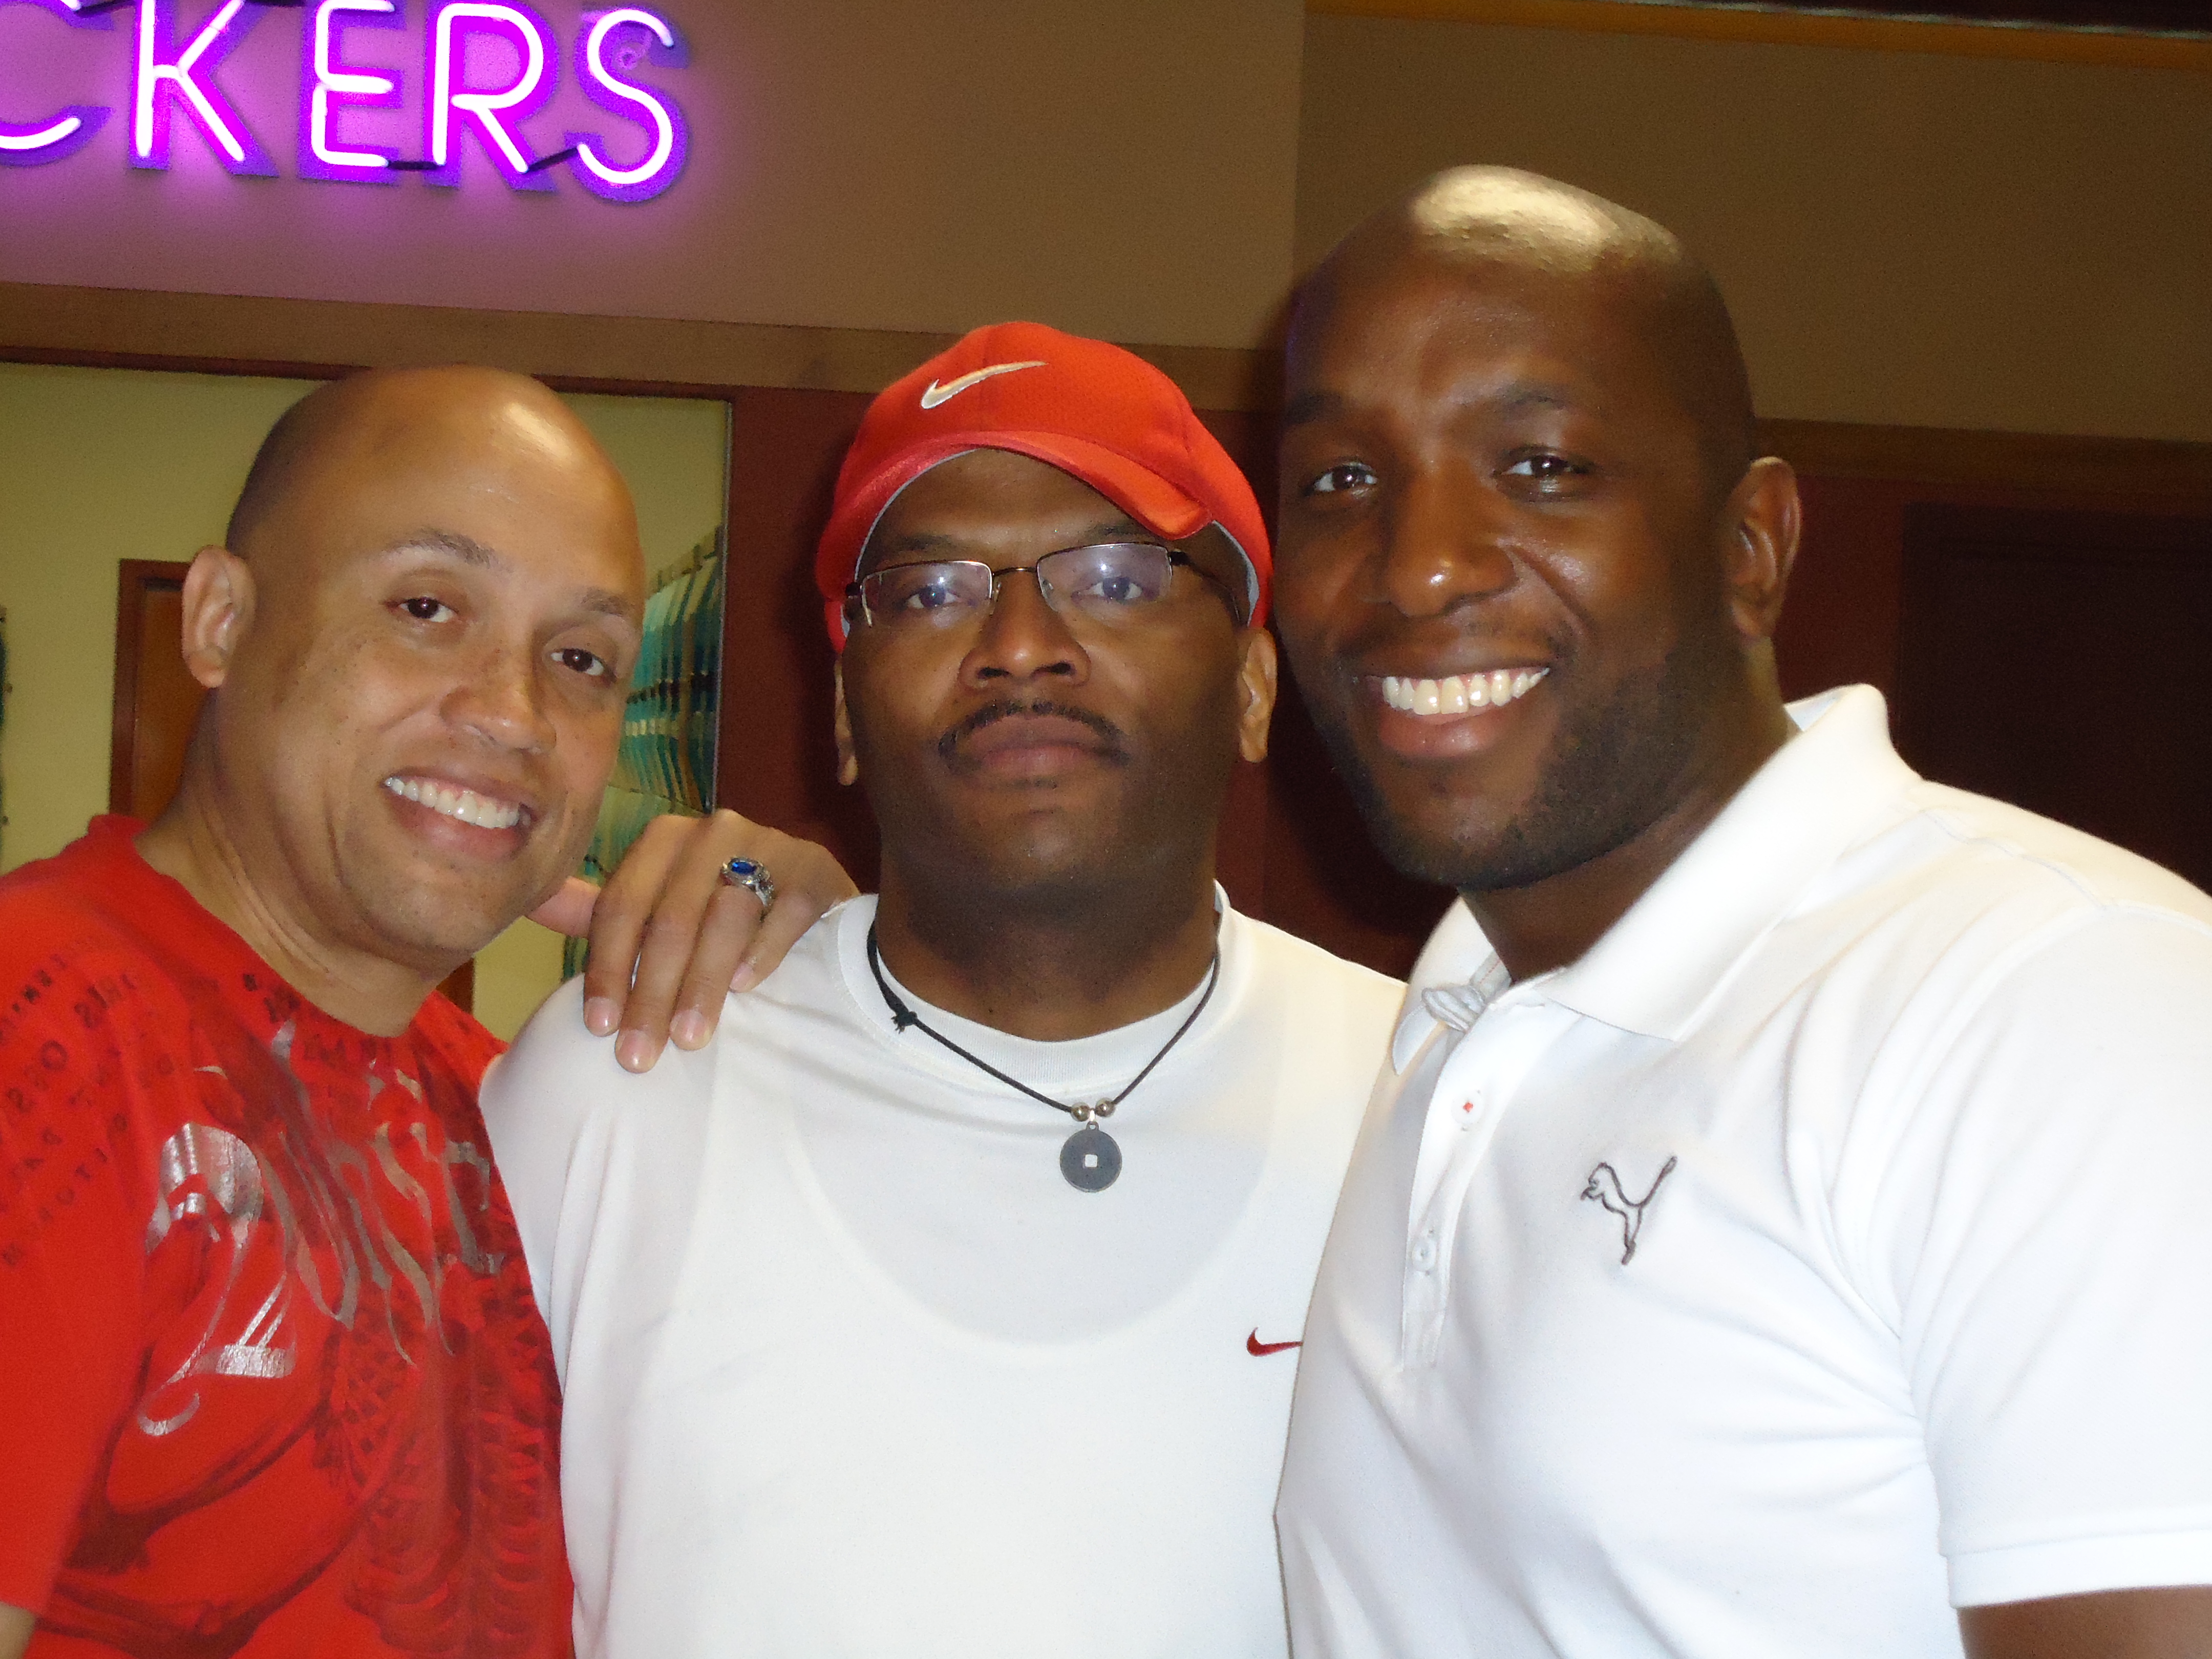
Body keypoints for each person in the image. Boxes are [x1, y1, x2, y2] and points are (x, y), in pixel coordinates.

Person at [1267, 167, 2212, 1657]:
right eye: (1339, 481)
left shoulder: (2059, 1008)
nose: (1420, 563)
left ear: (1750, 549)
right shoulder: (1450, 1027)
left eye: (1541, 465)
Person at [483, 323, 1405, 1658]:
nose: (1020, 645)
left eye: (1117, 577)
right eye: (927, 593)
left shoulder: (1423, 1107)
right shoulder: (621, 1078)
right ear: (843, 714)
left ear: (1256, 688)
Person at [0, 366, 849, 1659]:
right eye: (426, 607)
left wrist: (844, 985)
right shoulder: (50, 1028)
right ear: (221, 619)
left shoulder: (496, 1094)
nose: (513, 714)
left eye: (580, 660)